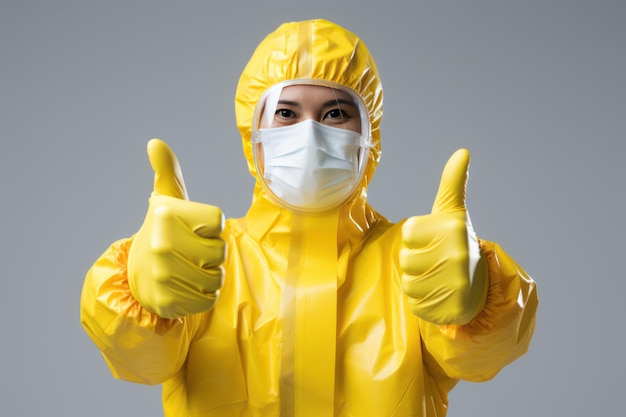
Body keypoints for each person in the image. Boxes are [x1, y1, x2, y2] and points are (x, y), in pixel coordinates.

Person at [81, 19, 538, 417]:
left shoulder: (420, 259)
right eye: (285, 113)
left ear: (369, 136)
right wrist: (141, 300)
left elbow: (480, 362)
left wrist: (479, 302)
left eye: (336, 113)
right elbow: (140, 364)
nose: (310, 133)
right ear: (252, 136)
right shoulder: (202, 261)